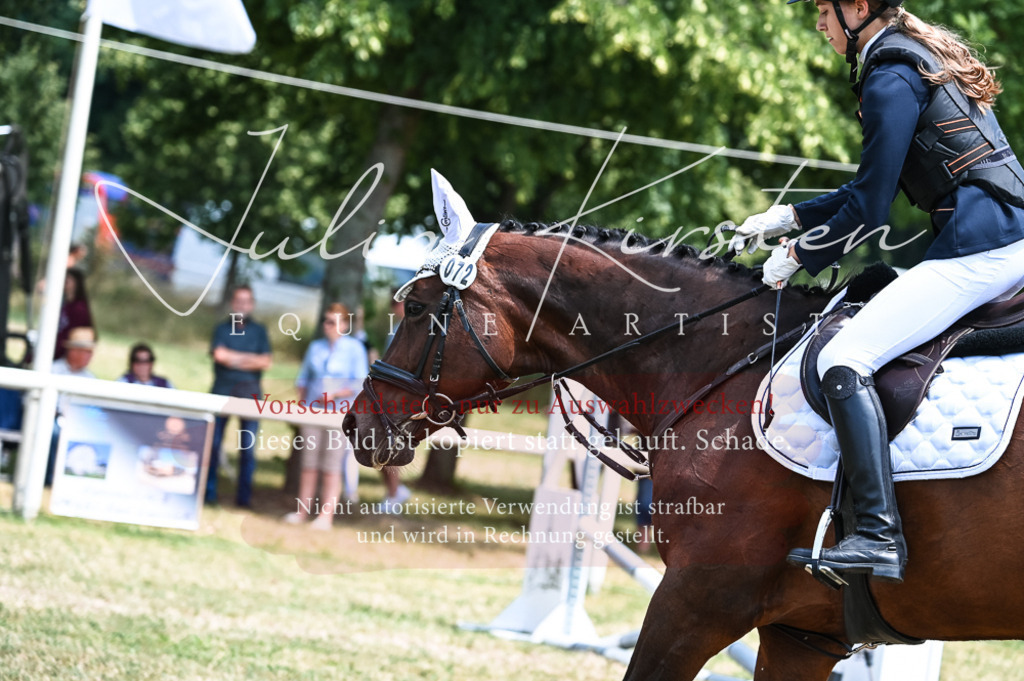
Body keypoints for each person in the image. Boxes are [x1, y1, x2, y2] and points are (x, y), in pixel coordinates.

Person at [734, 0, 1024, 584]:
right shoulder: (910, 58)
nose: (818, 24)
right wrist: (789, 216)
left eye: (822, 10)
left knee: (845, 357)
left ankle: (876, 534)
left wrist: (800, 256)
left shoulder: (889, 74)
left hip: (986, 249)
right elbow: (870, 186)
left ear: (858, 8)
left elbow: (871, 206)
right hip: (1001, 237)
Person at [284, 303, 368, 529]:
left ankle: (325, 516)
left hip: (338, 415)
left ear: (344, 325)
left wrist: (335, 394)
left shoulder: (355, 349)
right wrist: (299, 407)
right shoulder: (315, 347)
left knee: (332, 466)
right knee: (309, 464)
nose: (327, 325)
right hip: (312, 412)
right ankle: (302, 511)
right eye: (326, 320)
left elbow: (361, 383)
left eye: (332, 321)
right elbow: (302, 379)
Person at [207, 285, 272, 508]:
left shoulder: (260, 331)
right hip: (221, 393)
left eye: (246, 301)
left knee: (247, 450)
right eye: (238, 301)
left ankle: (243, 499)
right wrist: (248, 359)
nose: (242, 305)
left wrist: (233, 358)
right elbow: (219, 355)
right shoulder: (221, 329)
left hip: (250, 397)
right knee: (213, 446)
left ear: (251, 304)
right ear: (232, 303)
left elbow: (265, 361)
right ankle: (209, 494)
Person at [47, 326, 98, 485]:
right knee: (54, 432)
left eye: (90, 351)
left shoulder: (90, 378)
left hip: (80, 422)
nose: (90, 356)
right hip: (53, 418)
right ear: (74, 351)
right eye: (86, 351)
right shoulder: (53, 369)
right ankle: (50, 479)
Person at [55, 268, 92, 360]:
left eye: (67, 280)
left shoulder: (79, 308)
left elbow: (74, 333)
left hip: (65, 350)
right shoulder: (65, 304)